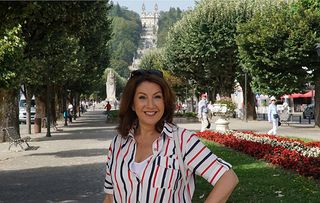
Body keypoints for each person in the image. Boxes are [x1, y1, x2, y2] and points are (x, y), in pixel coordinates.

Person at [103, 69, 238, 203]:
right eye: (142, 97)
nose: (150, 105)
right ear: (132, 104)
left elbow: (228, 178)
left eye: (157, 97)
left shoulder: (182, 141)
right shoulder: (118, 144)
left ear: (164, 102)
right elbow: (110, 197)